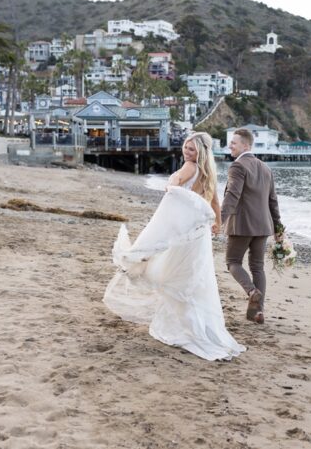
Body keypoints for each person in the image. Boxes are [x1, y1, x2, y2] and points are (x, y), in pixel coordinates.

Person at [103, 132, 244, 361]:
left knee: (174, 276)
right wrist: (218, 223)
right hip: (199, 236)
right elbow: (215, 201)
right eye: (185, 148)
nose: (186, 152)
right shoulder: (208, 173)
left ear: (200, 152)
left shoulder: (190, 166)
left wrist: (171, 188)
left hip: (185, 234)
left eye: (191, 149)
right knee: (194, 281)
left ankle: (187, 329)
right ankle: (197, 329)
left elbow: (175, 184)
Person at [220, 128, 285, 325]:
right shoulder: (265, 168)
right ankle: (258, 312)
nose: (230, 145)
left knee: (233, 262)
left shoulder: (237, 166)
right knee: (258, 267)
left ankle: (252, 291)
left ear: (246, 145)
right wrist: (278, 228)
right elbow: (273, 201)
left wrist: (219, 220)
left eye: (234, 142)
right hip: (263, 226)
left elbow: (233, 196)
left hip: (241, 225)